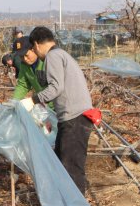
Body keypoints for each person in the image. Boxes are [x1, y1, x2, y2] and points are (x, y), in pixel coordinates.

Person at [20, 26, 93, 194]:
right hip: (74, 117)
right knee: (62, 159)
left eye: (33, 48)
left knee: (72, 167)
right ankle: (67, 202)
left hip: (74, 118)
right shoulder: (62, 54)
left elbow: (56, 88)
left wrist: (33, 100)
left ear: (37, 45)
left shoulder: (52, 56)